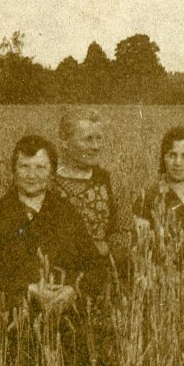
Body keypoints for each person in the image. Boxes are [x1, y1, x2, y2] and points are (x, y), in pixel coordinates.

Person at [0, 134, 107, 314]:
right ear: (13, 171)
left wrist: (72, 289)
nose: (32, 175)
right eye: (24, 166)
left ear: (52, 172)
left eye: (40, 167)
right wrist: (29, 290)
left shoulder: (66, 213)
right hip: (12, 321)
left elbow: (95, 267)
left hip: (64, 320)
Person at [53, 108, 127, 279]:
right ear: (64, 141)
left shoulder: (111, 182)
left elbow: (126, 233)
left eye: (99, 139)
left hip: (102, 276)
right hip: (55, 277)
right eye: (87, 139)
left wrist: (103, 249)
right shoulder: (45, 181)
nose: (95, 147)